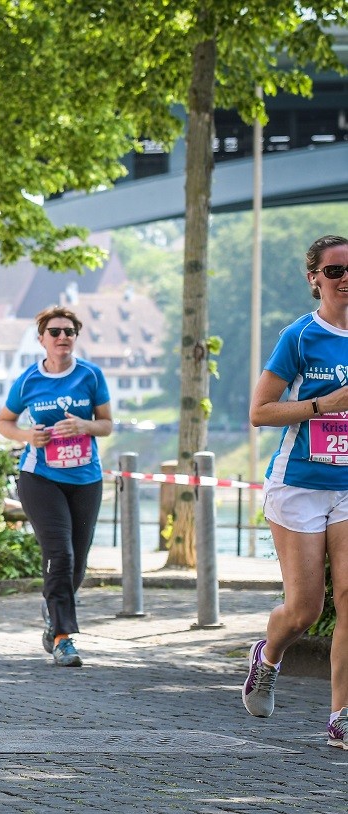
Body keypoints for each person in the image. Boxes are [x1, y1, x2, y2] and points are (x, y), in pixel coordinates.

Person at [243, 234, 348, 749]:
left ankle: (341, 716)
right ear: (315, 279)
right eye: (335, 271)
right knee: (306, 609)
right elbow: (260, 412)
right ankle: (269, 656)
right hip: (300, 483)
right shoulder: (300, 337)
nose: (346, 278)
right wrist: (326, 404)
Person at [0, 306, 112, 668]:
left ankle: (53, 613)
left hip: (85, 479)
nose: (63, 337)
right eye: (55, 332)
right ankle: (63, 637)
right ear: (42, 338)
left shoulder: (91, 376)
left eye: (69, 332)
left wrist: (84, 426)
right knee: (59, 554)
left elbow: (106, 425)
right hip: (40, 478)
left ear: (75, 338)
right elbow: (4, 421)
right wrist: (28, 435)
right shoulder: (29, 380)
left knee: (77, 562)